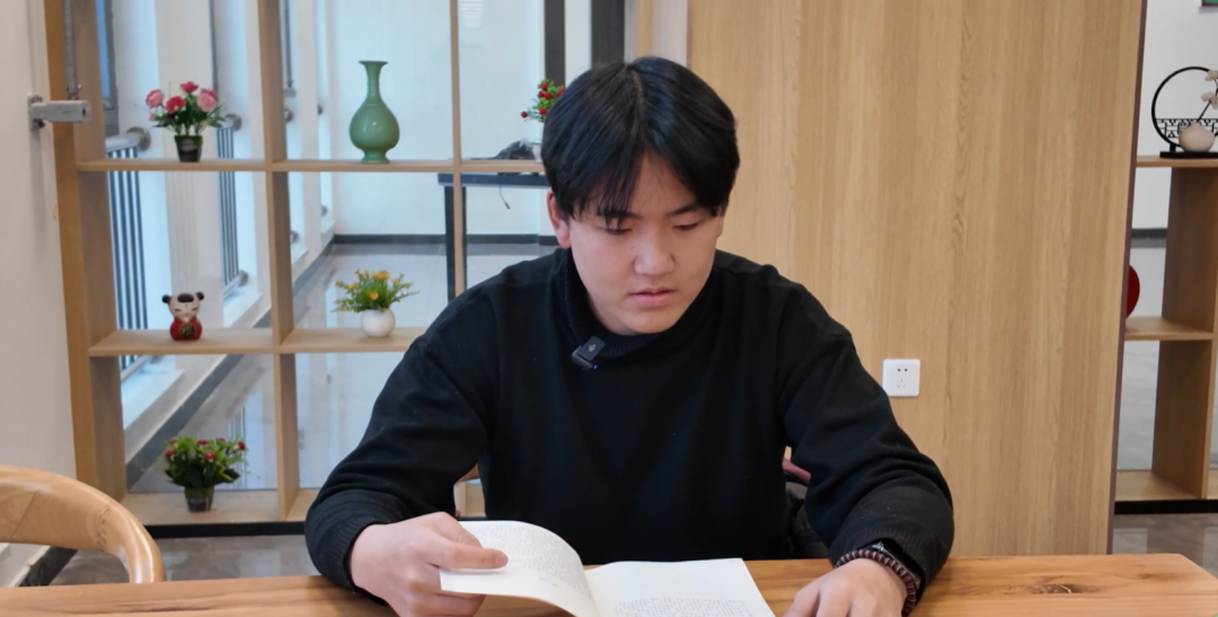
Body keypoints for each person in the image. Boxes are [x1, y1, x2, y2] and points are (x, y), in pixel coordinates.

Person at [305, 56, 953, 617]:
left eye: (686, 224)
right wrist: (371, 548)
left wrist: (877, 569)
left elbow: (895, 480)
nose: (655, 262)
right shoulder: (493, 325)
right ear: (560, 217)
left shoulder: (775, 317)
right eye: (618, 228)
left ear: (720, 213)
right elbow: (357, 496)